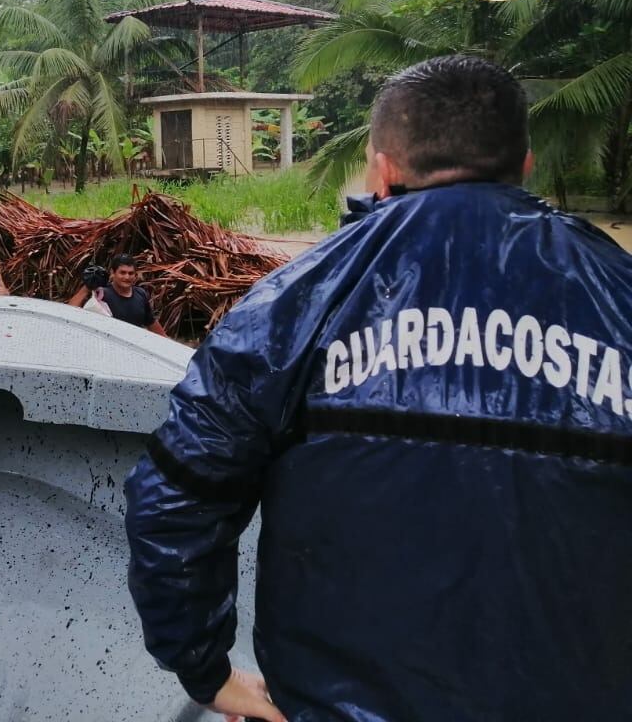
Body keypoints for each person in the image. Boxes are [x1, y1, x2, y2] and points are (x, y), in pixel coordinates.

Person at [124, 55, 632, 722]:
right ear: (526, 164)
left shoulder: (293, 302)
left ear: (382, 168)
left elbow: (174, 499)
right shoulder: (617, 293)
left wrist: (203, 666)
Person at [66, 255, 168, 336]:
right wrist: (87, 287)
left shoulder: (140, 294)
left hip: (135, 349)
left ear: (135, 275)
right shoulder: (102, 294)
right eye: (122, 273)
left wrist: (169, 345)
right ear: (113, 273)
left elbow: (151, 322)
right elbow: (70, 312)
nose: (127, 277)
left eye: (131, 273)